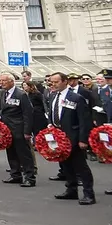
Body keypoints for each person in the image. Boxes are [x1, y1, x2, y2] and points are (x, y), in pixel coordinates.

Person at [46, 72, 96, 205]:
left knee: (80, 167)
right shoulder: (53, 96)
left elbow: (84, 120)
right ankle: (71, 190)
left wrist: (83, 139)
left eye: (56, 82)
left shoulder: (76, 98)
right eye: (52, 82)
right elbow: (53, 113)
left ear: (65, 81)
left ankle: (89, 193)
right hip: (59, 136)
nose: (53, 84)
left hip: (73, 137)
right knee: (66, 165)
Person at [0, 72, 36, 187]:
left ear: (11, 81)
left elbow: (28, 113)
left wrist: (27, 131)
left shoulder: (21, 94)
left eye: (4, 81)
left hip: (19, 128)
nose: (1, 83)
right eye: (0, 80)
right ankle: (15, 174)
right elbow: (3, 108)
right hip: (7, 128)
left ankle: (29, 177)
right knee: (11, 152)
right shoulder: (2, 92)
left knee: (24, 154)